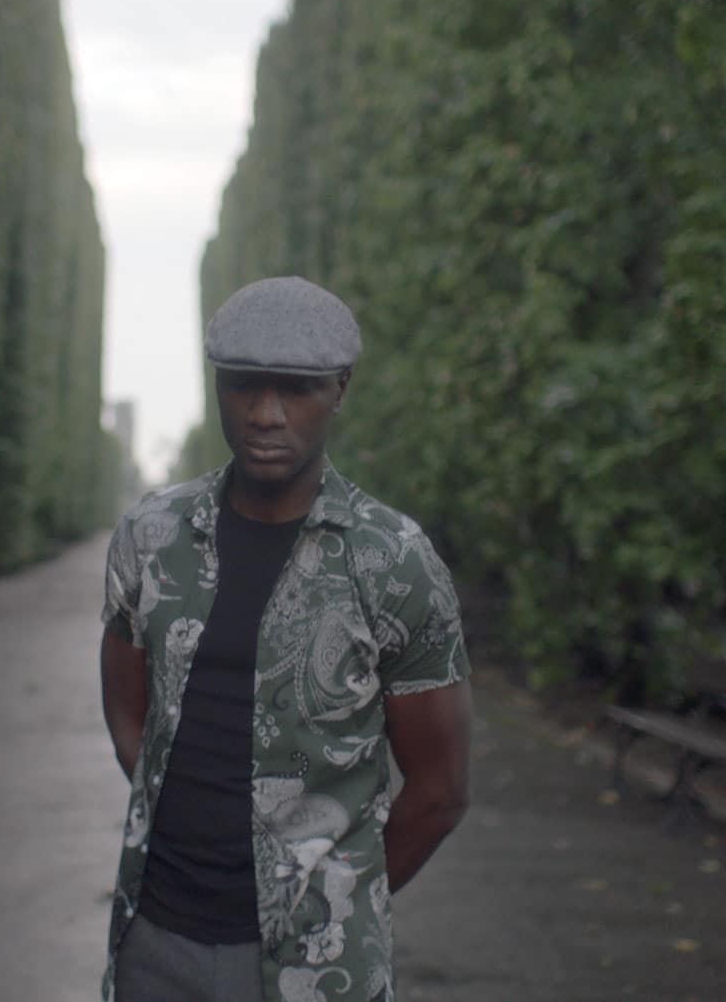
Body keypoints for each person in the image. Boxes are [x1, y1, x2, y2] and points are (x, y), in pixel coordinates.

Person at [98, 276, 474, 1002]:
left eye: (297, 389)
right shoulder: (151, 538)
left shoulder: (394, 562)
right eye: (243, 383)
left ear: (340, 389)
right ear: (217, 384)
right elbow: (128, 714)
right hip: (155, 943)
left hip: (318, 971)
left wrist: (339, 898)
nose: (265, 414)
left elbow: (441, 791)